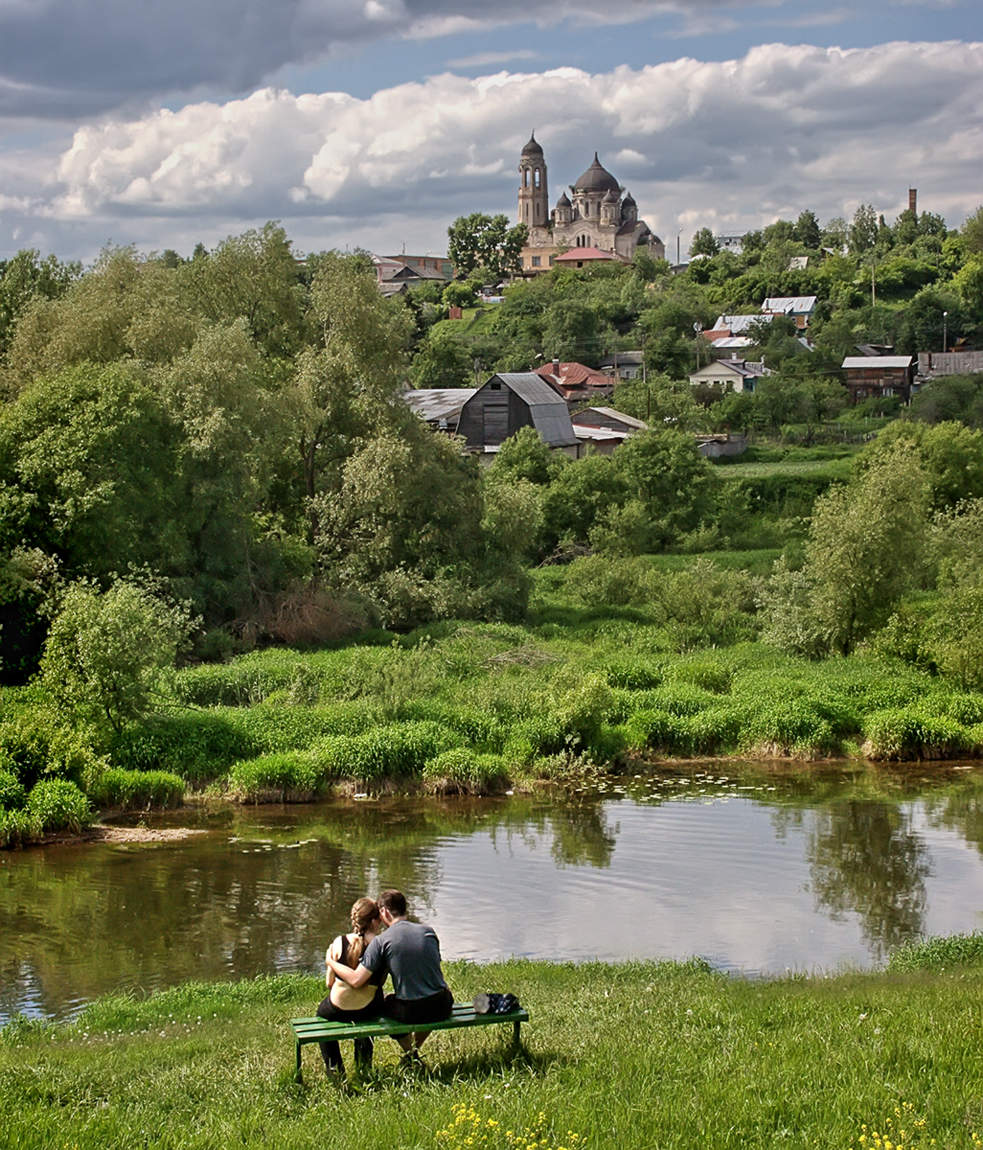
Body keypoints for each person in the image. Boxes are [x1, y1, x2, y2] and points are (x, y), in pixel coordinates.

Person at [326, 888, 452, 1063]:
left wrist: (331, 962)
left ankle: (411, 1054)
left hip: (411, 1012)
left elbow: (356, 980)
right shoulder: (428, 931)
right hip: (442, 1006)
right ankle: (413, 1053)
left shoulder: (382, 941)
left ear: (384, 912)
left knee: (387, 1004)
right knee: (431, 998)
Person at [316, 897, 384, 1080]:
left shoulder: (339, 942)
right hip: (367, 1010)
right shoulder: (379, 945)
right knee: (372, 1007)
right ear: (374, 920)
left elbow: (329, 983)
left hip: (337, 1009)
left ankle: (335, 1073)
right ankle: (363, 1070)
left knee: (321, 1018)